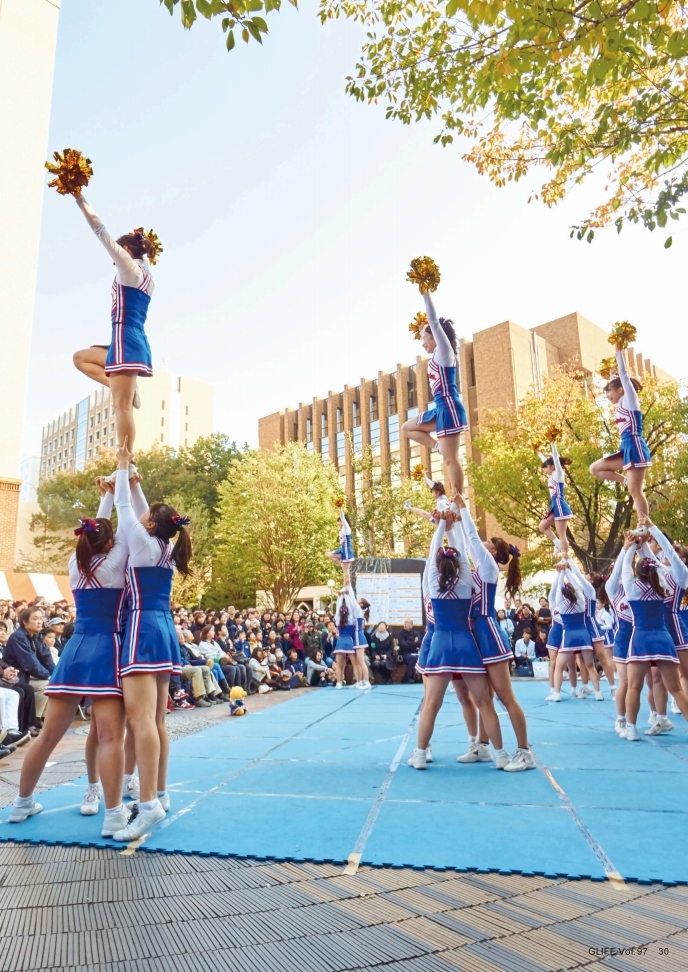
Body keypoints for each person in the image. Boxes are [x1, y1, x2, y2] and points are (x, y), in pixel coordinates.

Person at [9, 478, 133, 835]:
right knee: (111, 737)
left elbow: (96, 533)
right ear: (109, 544)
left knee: (47, 736)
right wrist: (116, 490)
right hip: (106, 648)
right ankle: (112, 814)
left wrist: (105, 497)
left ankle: (21, 803)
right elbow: (122, 527)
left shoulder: (74, 565)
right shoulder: (115, 563)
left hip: (75, 649)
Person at [112, 439, 190, 840]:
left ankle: (146, 806)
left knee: (139, 719)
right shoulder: (162, 544)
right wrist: (134, 475)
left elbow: (126, 509)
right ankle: (159, 792)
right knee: (157, 720)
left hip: (142, 627)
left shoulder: (144, 540)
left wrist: (122, 469)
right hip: (163, 627)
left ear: (150, 524)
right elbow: (144, 513)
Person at [408, 511, 506, 770]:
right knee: (484, 702)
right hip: (466, 643)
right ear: (459, 565)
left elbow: (433, 553)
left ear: (437, 567)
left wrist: (442, 525)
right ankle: (501, 755)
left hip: (440, 644)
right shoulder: (466, 583)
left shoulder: (430, 582)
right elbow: (461, 550)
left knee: (431, 703)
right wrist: (450, 526)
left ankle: (419, 754)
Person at [71, 195, 158, 454]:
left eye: (119, 252)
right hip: (130, 338)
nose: (114, 258)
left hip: (125, 339)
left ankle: (126, 459)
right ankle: (125, 388)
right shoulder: (148, 276)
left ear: (127, 251)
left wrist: (79, 198)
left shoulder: (129, 268)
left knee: (121, 407)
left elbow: (100, 230)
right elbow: (146, 256)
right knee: (80, 358)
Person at [455, 493, 535, 771]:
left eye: (487, 543)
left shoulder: (488, 566)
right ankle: (483, 746)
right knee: (484, 697)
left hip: (488, 631)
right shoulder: (480, 565)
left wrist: (462, 506)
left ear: (493, 552)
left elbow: (472, 540)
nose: (482, 543)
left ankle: (525, 752)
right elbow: (468, 542)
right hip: (477, 633)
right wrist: (452, 514)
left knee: (505, 696)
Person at [620, 531, 688, 740]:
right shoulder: (665, 586)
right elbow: (660, 567)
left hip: (640, 639)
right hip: (663, 638)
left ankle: (631, 728)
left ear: (637, 572)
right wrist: (642, 545)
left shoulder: (630, 588)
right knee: (676, 689)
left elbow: (625, 566)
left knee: (634, 686)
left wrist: (631, 545)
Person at [402, 292, 468, 494]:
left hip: (449, 407)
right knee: (407, 428)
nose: (423, 343)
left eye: (425, 338)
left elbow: (434, 321)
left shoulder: (444, 352)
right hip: (439, 409)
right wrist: (422, 328)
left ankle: (458, 502)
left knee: (450, 459)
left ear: (436, 336)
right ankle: (437, 446)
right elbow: (429, 326)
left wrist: (425, 294)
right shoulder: (435, 357)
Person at [589, 349, 651, 518]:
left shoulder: (630, 399)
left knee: (635, 491)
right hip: (624, 447)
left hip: (634, 445)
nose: (607, 396)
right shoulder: (620, 403)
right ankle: (625, 480)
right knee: (595, 468)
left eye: (609, 392)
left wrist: (618, 352)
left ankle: (644, 524)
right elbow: (617, 381)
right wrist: (611, 375)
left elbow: (623, 377)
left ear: (621, 390)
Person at [549, 561, 603, 702]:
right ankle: (598, 693)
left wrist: (562, 572)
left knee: (559, 667)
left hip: (569, 636)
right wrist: (568, 571)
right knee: (590, 665)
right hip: (583, 634)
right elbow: (579, 588)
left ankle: (556, 693)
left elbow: (556, 593)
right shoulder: (581, 602)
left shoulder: (560, 604)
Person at [3, 607, 54, 724]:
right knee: (46, 685)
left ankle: (37, 718)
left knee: (52, 683)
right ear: (25, 622)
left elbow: (48, 660)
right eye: (35, 618)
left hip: (29, 675)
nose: (40, 621)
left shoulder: (37, 636)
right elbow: (30, 663)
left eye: (41, 618)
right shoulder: (18, 637)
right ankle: (32, 720)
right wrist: (48, 676)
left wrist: (56, 674)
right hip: (17, 676)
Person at [605, 547, 632, 735]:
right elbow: (615, 574)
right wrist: (626, 548)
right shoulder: (613, 589)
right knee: (625, 681)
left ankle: (657, 714)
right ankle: (621, 718)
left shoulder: (639, 584)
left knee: (652, 680)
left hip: (641, 637)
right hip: (623, 638)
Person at [538, 442, 573, 556]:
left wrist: (553, 442)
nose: (544, 470)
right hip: (554, 505)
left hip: (560, 506)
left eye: (545, 468)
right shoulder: (553, 474)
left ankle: (565, 557)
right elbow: (548, 461)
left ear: (552, 466)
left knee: (562, 535)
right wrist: (538, 452)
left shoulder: (558, 474)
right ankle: (557, 543)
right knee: (542, 526)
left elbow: (556, 459)